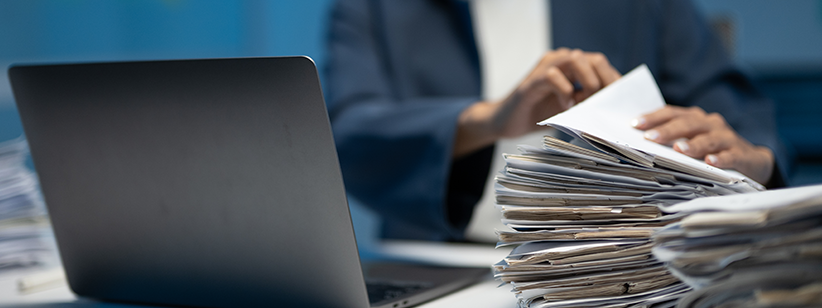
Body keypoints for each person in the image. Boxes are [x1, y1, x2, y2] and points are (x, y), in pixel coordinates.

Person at [325, 0, 791, 242]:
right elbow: (348, 134)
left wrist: (755, 158)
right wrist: (489, 120)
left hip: (615, 269)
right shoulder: (377, 7)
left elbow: (736, 112)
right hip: (435, 262)